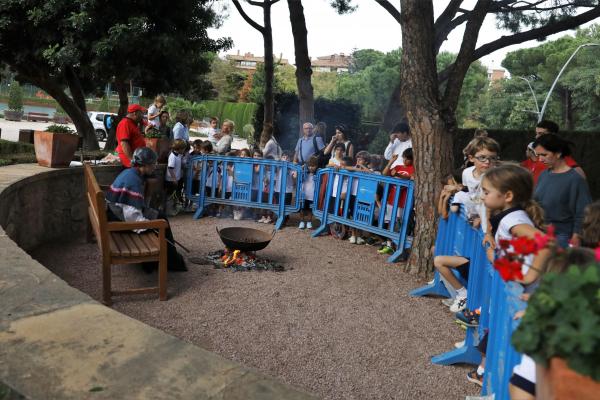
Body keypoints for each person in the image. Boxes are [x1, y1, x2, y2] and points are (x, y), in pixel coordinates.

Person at [479, 164, 550, 393]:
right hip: (520, 288)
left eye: (486, 192)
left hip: (527, 290)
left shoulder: (513, 220)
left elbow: (545, 244)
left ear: (507, 196)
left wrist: (530, 274)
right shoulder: (510, 217)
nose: (482, 196)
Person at [105, 147, 187, 272]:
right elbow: (132, 216)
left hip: (114, 213)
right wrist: (151, 225)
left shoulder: (130, 173)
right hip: (117, 220)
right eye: (153, 164)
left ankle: (163, 260)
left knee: (160, 216)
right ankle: (167, 263)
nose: (155, 166)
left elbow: (130, 207)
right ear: (145, 164)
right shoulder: (134, 181)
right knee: (162, 222)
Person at [533, 134, 592, 248]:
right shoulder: (544, 174)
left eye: (544, 154)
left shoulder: (575, 179)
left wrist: (576, 236)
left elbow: (583, 212)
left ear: (558, 153)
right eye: (538, 155)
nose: (540, 159)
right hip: (539, 233)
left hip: (562, 236)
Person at [165, 139, 187, 215]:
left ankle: (171, 209)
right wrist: (174, 179)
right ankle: (168, 210)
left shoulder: (178, 155)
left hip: (176, 178)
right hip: (171, 179)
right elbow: (170, 168)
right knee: (170, 195)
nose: (184, 150)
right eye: (183, 149)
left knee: (173, 194)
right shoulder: (173, 156)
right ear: (179, 148)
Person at [299, 156, 319, 230]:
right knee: (302, 209)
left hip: (312, 196)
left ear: (316, 166)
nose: (311, 167)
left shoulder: (318, 174)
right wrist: (302, 167)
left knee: (310, 210)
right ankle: (301, 221)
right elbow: (297, 174)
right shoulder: (304, 173)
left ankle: (309, 222)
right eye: (309, 165)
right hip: (303, 195)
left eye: (313, 166)